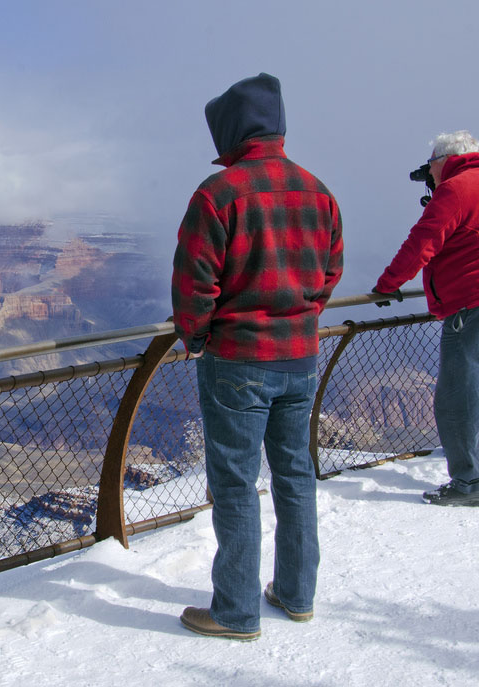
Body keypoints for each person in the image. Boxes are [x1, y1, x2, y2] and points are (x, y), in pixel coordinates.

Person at [171, 73, 343, 640]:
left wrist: (196, 338)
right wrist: (302, 316)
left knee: (235, 483)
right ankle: (296, 595)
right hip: (300, 357)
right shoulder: (319, 191)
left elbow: (194, 281)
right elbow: (329, 273)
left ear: (233, 128)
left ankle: (236, 612)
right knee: (295, 474)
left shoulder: (218, 195)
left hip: (238, 361)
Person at [373, 130, 479, 507]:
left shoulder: (457, 188)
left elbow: (422, 242)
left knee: (458, 398)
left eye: (431, 164)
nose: (428, 172)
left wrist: (387, 285)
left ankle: (468, 483)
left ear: (444, 160)